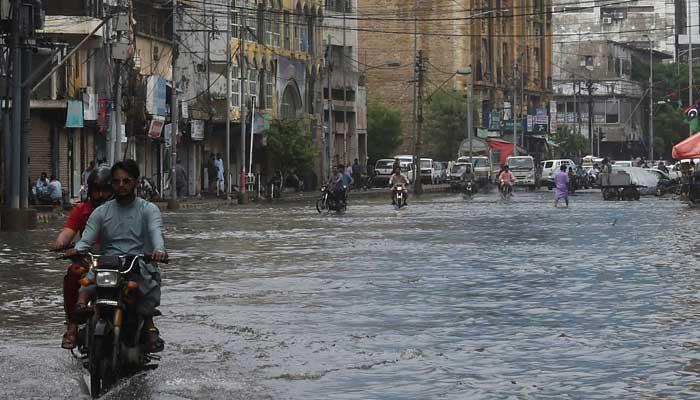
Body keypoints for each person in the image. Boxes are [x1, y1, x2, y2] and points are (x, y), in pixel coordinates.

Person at [69, 159, 168, 353]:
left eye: (126, 181)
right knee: (87, 281)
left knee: (147, 290)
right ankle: (80, 316)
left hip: (138, 262)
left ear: (136, 182)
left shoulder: (149, 210)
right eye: (116, 181)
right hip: (109, 263)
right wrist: (77, 249)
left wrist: (159, 251)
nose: (121, 186)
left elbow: (156, 233)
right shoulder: (101, 212)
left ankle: (148, 327)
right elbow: (86, 239)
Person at [54, 166, 113, 349]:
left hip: (118, 263)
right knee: (73, 273)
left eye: (104, 189)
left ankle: (146, 328)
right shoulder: (81, 210)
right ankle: (72, 327)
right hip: (89, 261)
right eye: (96, 190)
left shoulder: (121, 210)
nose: (100, 194)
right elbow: (67, 233)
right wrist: (61, 244)